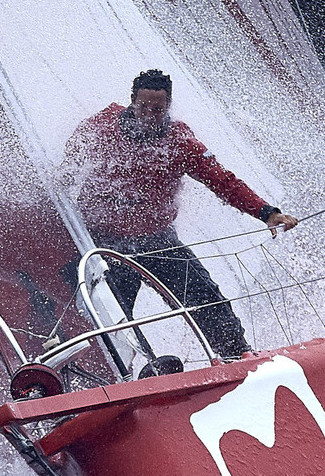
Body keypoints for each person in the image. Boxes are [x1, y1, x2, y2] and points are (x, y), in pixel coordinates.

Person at [59, 70, 297, 362]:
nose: (149, 115)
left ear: (168, 107)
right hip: (105, 243)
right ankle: (132, 374)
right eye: (143, 107)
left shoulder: (180, 142)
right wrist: (62, 183)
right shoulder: (102, 126)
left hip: (157, 240)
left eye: (157, 110)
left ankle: (238, 358)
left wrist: (266, 213)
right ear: (132, 101)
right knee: (112, 319)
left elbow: (222, 181)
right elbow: (70, 160)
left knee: (206, 297)